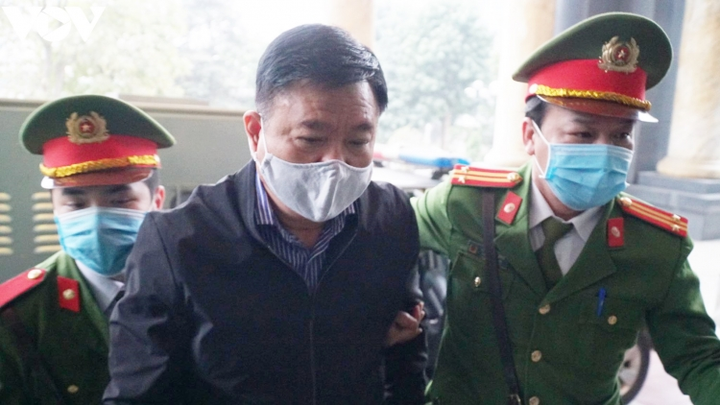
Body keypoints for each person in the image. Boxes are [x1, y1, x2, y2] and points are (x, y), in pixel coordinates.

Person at [103, 24, 426, 404]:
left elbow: (405, 358)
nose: (335, 162)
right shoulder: (179, 242)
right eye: (310, 139)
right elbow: (137, 394)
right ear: (256, 133)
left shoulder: (391, 219)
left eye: (358, 141)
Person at [412, 12, 720, 405]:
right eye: (583, 133)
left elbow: (698, 356)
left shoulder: (655, 247)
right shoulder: (467, 204)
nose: (605, 151)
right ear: (531, 135)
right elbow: (379, 235)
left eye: (622, 135)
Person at [0, 95, 174, 404]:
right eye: (75, 204)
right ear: (54, 208)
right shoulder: (19, 315)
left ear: (156, 201)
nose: (96, 218)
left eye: (120, 201)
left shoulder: (194, 288)